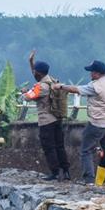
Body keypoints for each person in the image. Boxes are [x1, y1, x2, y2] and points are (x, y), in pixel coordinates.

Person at [61, 60, 105, 186]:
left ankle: (89, 180)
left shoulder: (95, 86)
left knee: (86, 150)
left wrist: (61, 86)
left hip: (97, 123)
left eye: (92, 72)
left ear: (97, 73)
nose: (90, 74)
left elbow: (76, 89)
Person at [26, 50, 70, 181]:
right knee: (60, 146)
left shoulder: (40, 86)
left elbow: (28, 96)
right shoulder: (52, 81)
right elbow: (37, 76)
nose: (33, 73)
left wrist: (24, 92)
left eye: (34, 71)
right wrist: (31, 62)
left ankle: (55, 173)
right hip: (57, 118)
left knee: (49, 147)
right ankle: (66, 172)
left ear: (38, 73)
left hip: (46, 121)